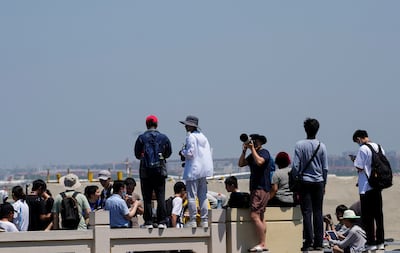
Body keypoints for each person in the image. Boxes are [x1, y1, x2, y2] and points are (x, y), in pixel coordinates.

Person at [292, 118, 328, 251]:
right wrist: (324, 183)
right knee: (318, 212)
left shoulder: (299, 145)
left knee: (306, 212)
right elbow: (325, 168)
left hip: (304, 181)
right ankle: (319, 242)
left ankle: (308, 241)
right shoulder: (322, 145)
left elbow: (295, 165)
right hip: (318, 182)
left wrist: (296, 177)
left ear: (305, 129)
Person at [134, 114, 172, 229]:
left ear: (146, 125)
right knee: (161, 196)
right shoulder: (164, 137)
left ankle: (148, 222)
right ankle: (162, 221)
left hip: (145, 172)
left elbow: (136, 154)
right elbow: (169, 152)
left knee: (147, 198)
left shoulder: (141, 138)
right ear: (157, 124)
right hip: (160, 171)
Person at [352, 129, 386, 251]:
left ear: (359, 139)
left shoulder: (363, 149)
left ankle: (371, 242)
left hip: (366, 187)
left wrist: (354, 160)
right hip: (378, 186)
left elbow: (359, 167)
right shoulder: (379, 147)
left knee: (368, 217)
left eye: (357, 142)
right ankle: (381, 242)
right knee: (379, 215)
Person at [238, 133, 272, 252]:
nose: (254, 143)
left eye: (256, 141)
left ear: (261, 142)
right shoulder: (253, 154)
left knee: (254, 215)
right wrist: (244, 151)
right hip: (256, 188)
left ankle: (262, 243)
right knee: (261, 216)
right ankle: (262, 242)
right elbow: (241, 164)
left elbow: (260, 162)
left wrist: (252, 149)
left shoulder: (264, 152)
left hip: (261, 188)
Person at [179, 115, 213, 228]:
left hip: (193, 169)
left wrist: (182, 152)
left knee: (191, 196)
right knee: (203, 196)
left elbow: (190, 153)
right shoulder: (203, 137)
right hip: (203, 170)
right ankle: (204, 220)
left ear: (190, 126)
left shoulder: (190, 137)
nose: (185, 127)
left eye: (186, 125)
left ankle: (193, 220)